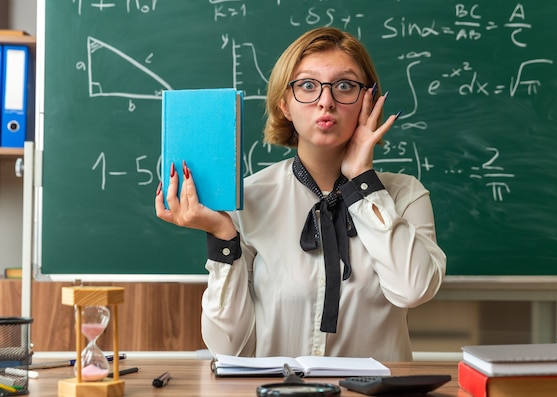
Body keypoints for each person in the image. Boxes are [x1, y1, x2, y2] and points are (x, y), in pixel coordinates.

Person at [155, 27, 446, 361]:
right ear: (285, 106)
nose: (326, 101)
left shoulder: (405, 195)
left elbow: (413, 290)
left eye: (345, 86)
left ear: (368, 102)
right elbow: (228, 348)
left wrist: (363, 183)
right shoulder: (248, 199)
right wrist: (222, 237)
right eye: (307, 86)